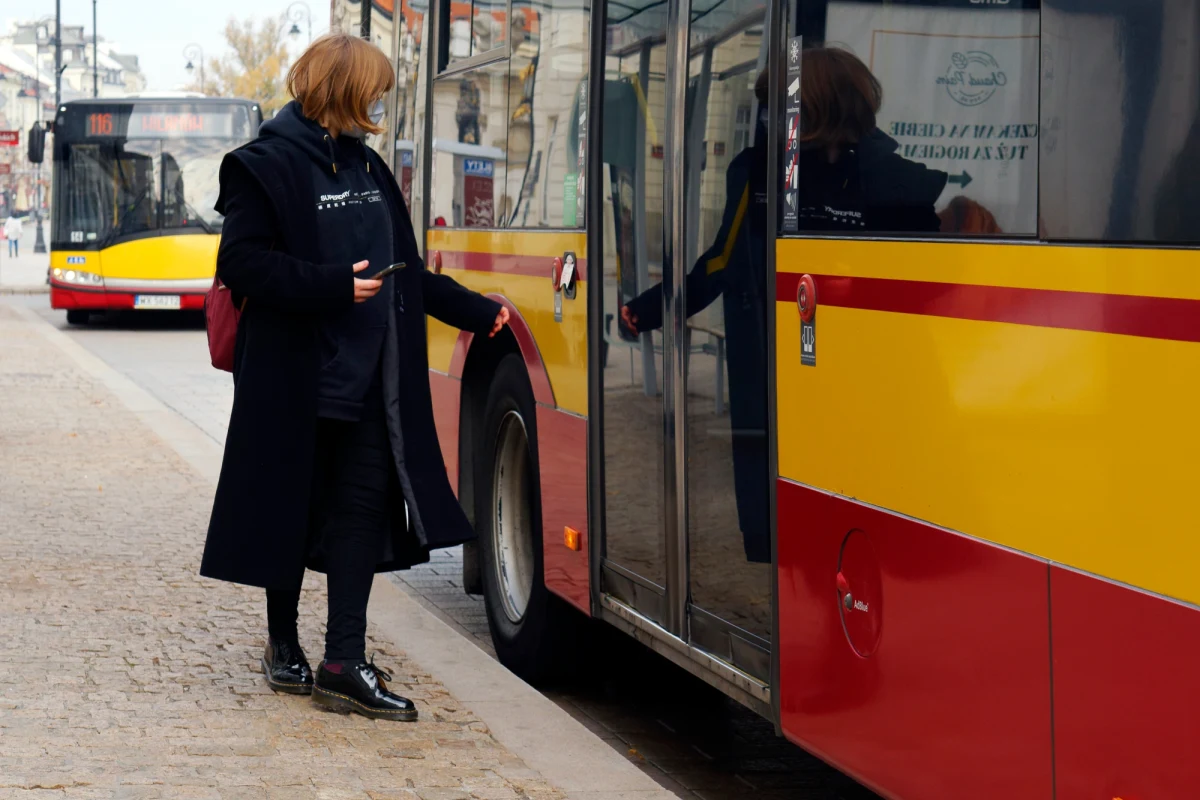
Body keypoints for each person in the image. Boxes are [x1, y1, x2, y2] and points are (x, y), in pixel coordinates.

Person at [199, 33, 509, 722]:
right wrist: (330, 286)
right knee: (291, 507)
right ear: (343, 89)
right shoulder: (262, 166)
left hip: (375, 377)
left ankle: (343, 661)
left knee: (361, 511)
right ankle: (283, 642)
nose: (378, 101)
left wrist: (473, 311)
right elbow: (243, 264)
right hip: (294, 374)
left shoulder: (368, 168)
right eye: (371, 89)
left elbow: (405, 271)